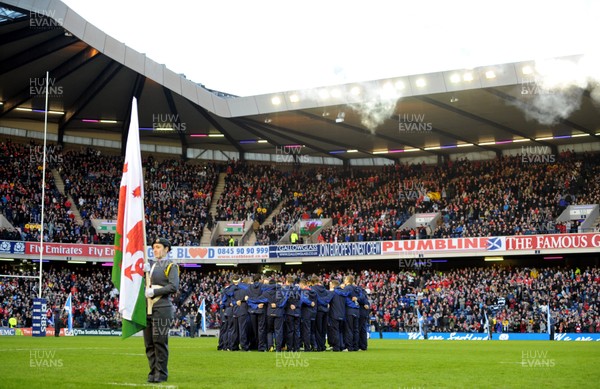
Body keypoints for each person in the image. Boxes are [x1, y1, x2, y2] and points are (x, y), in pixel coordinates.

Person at [143, 237, 179, 384]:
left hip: (162, 308)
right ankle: (152, 372)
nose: (155, 250)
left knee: (159, 342)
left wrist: (154, 292)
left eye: (158, 247)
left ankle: (161, 374)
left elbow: (173, 287)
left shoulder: (171, 265)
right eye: (154, 248)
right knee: (149, 343)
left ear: (166, 249)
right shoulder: (149, 265)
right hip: (148, 308)